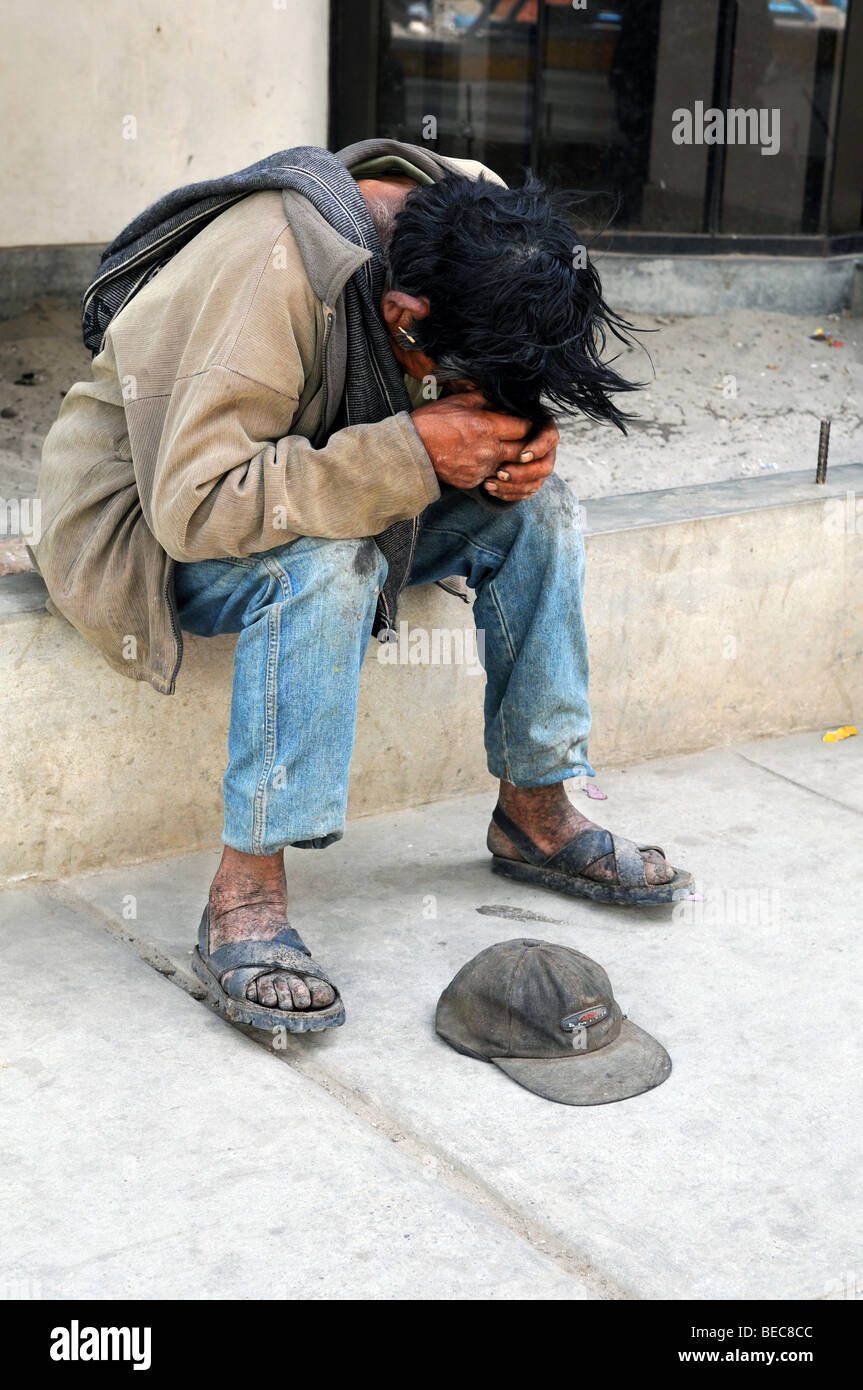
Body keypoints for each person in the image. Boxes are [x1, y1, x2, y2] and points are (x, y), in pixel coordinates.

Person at [32, 139, 692, 1033]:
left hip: (328, 478)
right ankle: (246, 894)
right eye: (455, 378)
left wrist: (517, 447)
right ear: (404, 316)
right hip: (148, 521)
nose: (464, 393)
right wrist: (413, 451)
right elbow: (197, 509)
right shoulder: (267, 267)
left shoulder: (480, 218)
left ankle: (536, 813)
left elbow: (493, 392)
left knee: (543, 515)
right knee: (325, 564)